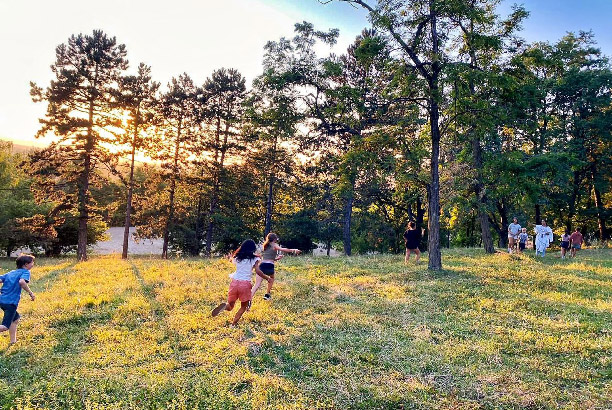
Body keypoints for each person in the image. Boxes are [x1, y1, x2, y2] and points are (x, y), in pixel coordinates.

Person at [211, 240, 269, 326]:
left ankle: (224, 307)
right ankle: (233, 324)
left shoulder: (237, 257)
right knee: (243, 307)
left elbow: (232, 259)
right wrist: (267, 278)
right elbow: (258, 271)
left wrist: (234, 254)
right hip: (245, 284)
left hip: (234, 283)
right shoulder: (255, 258)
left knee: (230, 306)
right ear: (253, 248)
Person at [251, 233, 301, 301]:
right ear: (275, 239)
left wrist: (277, 258)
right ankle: (267, 294)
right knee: (271, 278)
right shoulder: (274, 244)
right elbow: (283, 249)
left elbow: (267, 258)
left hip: (262, 265)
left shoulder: (265, 246)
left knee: (256, 285)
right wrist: (294, 250)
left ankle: (248, 299)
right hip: (269, 266)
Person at [0, 254, 35, 345]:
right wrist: (30, 293)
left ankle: (13, 341)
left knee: (15, 319)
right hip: (10, 302)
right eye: (32, 262)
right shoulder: (26, 272)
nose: (33, 264)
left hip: (2, 301)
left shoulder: (11, 272)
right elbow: (22, 282)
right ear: (26, 264)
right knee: (4, 326)